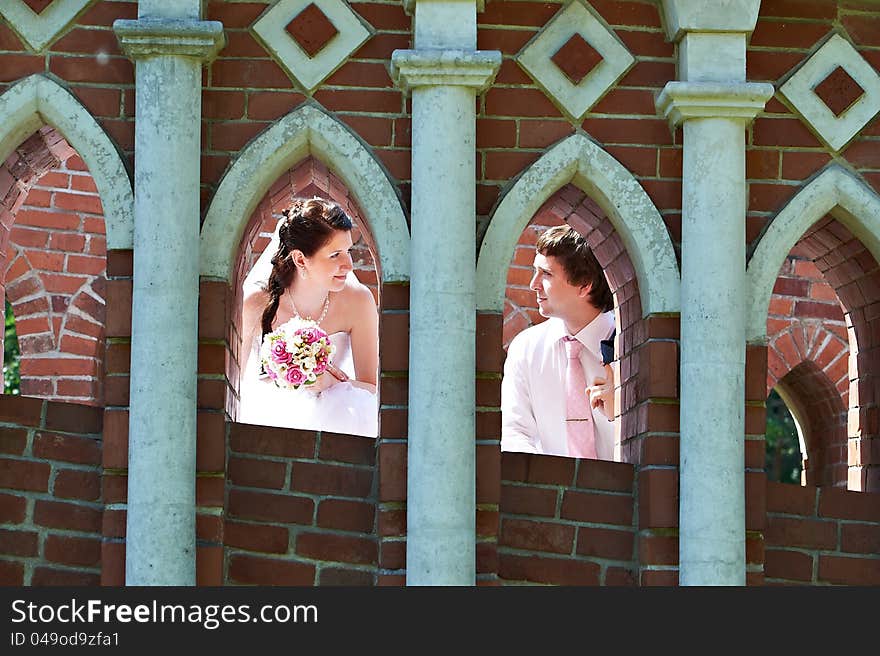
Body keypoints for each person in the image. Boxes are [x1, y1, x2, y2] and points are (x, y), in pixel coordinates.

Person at [238, 197, 379, 437]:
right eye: (335, 255)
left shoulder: (359, 301)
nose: (348, 265)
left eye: (348, 251)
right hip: (266, 420)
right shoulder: (256, 303)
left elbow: (372, 389)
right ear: (300, 259)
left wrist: (330, 383)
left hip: (336, 424)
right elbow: (234, 385)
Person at [501, 225, 617, 460]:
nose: (533, 284)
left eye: (546, 274)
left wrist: (621, 414)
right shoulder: (526, 348)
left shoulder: (628, 347)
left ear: (584, 284)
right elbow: (515, 434)